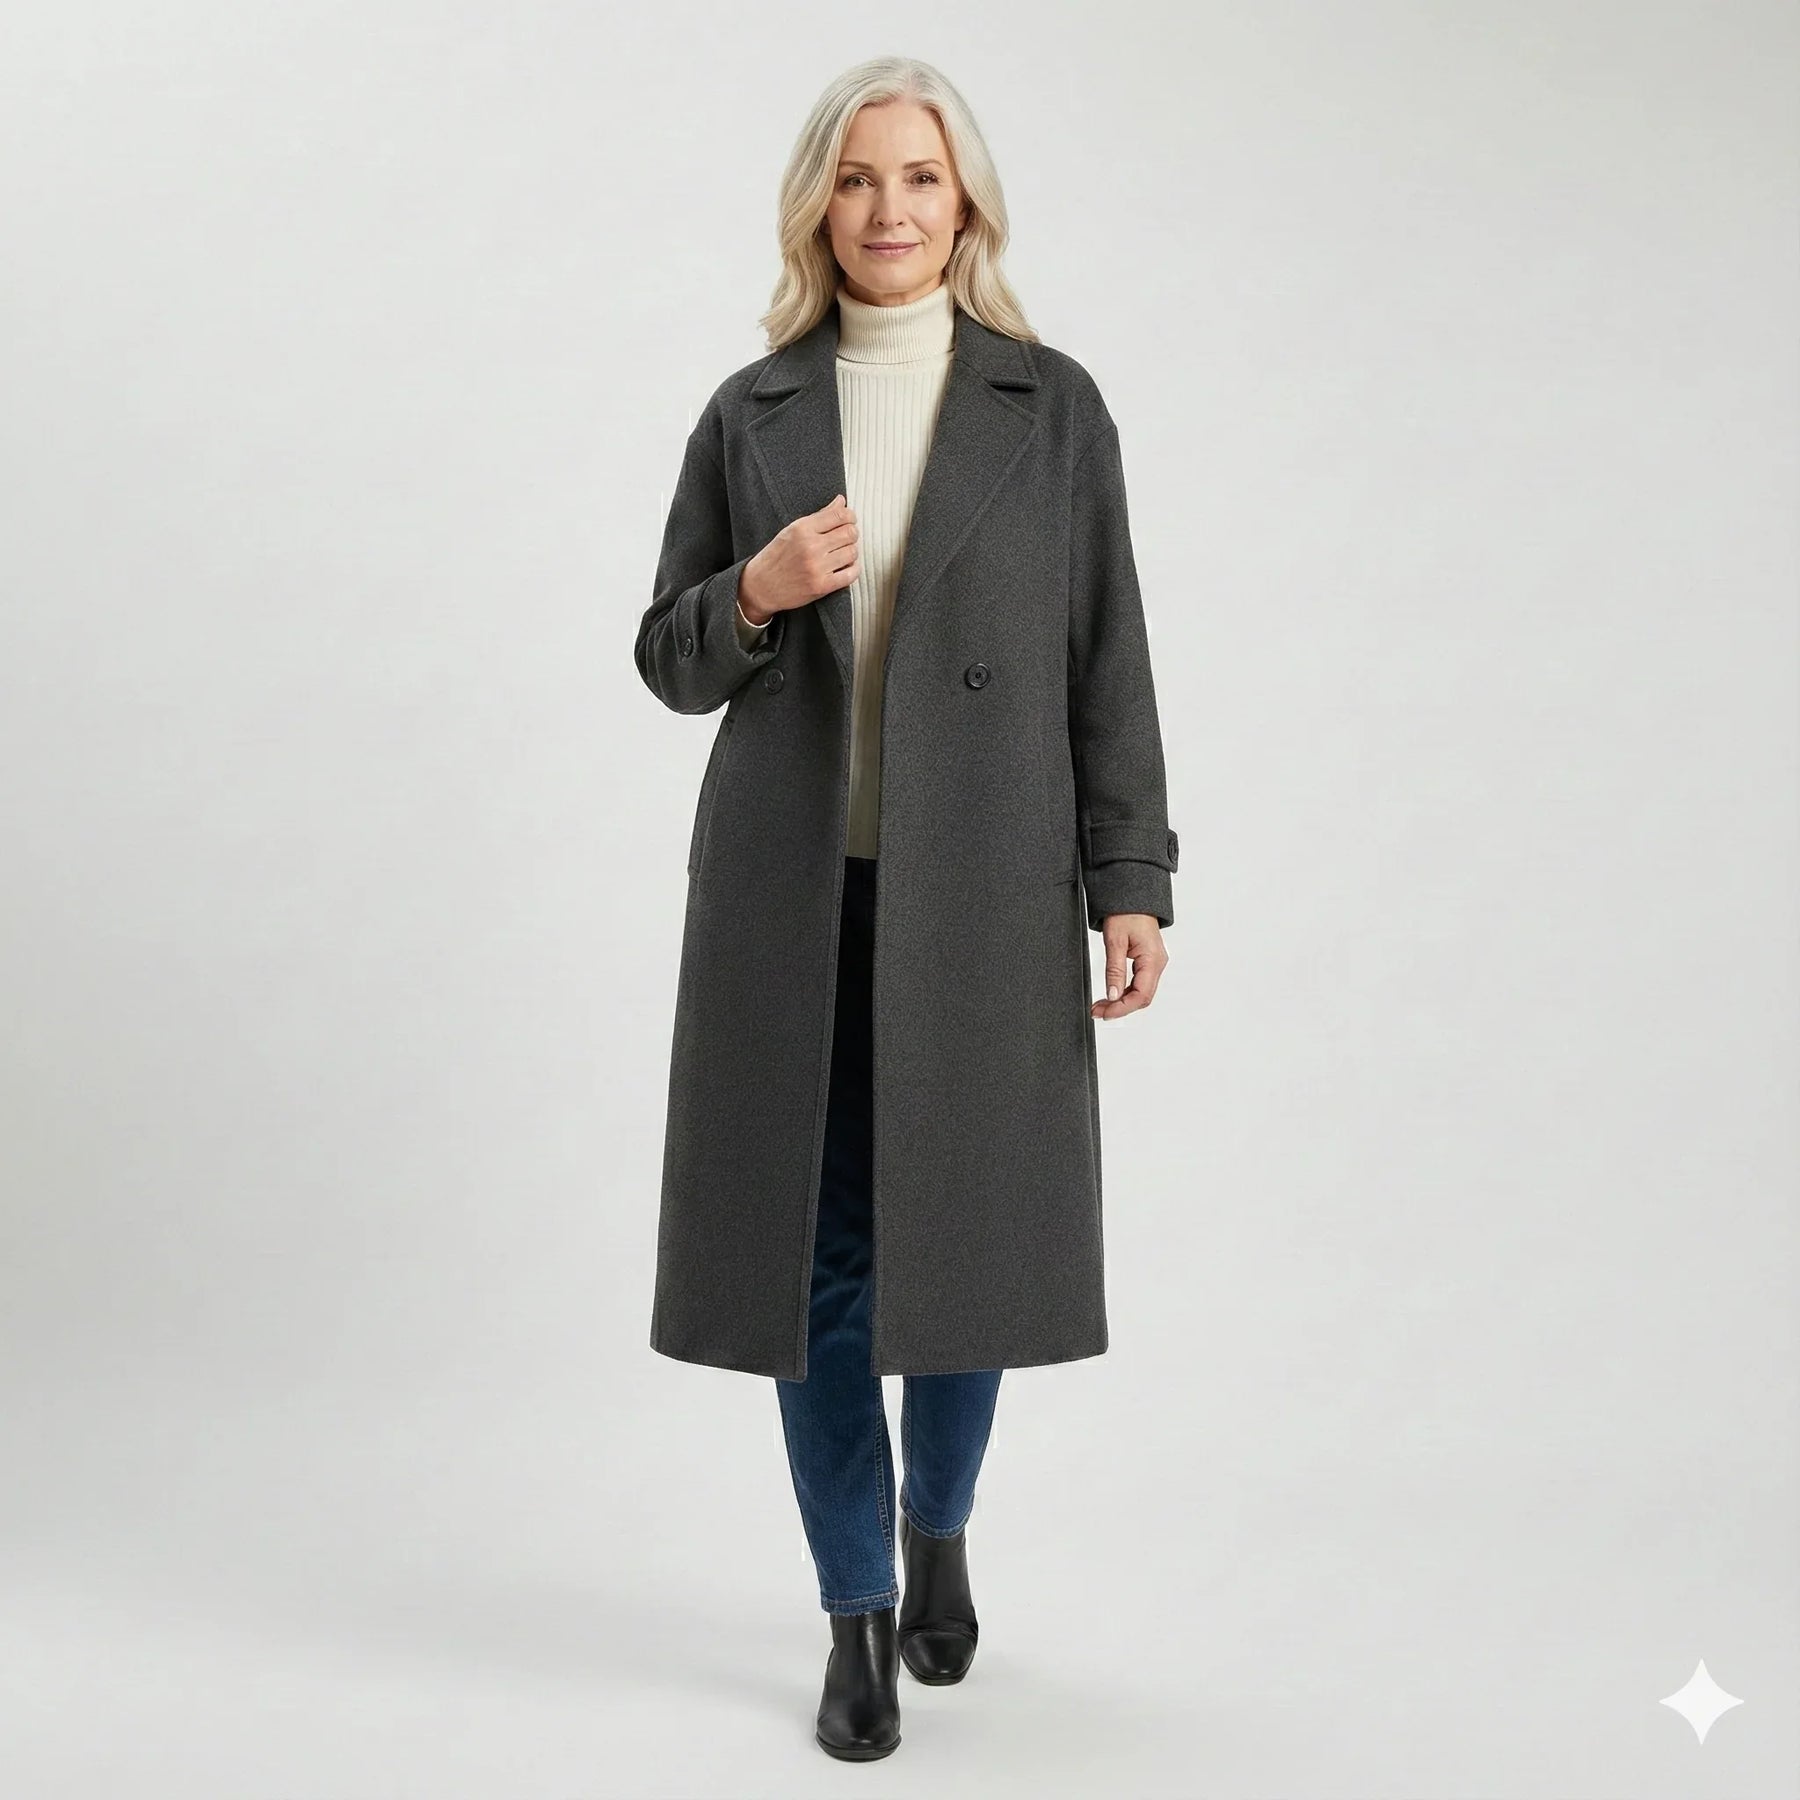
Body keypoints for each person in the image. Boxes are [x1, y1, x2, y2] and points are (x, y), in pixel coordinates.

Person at [635, 55, 1177, 1763]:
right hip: (794, 905)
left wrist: (1131, 877)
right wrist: (754, 591)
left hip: (988, 896)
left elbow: (1108, 655)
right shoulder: (752, 411)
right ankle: (856, 1613)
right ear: (820, 206)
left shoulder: (1052, 408)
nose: (889, 209)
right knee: (818, 1268)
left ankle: (940, 1523)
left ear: (966, 205)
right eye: (859, 178)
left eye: (920, 178)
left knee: (969, 1248)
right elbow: (666, 656)